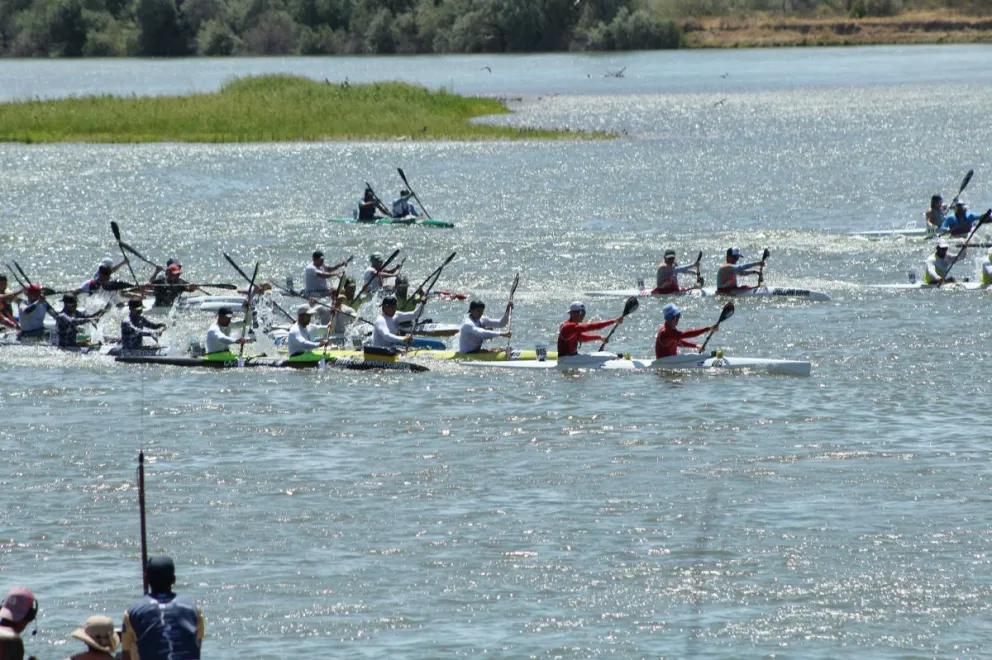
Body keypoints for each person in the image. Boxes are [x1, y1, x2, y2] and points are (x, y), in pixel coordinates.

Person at [121, 556, 204, 660]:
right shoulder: (194, 609)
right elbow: (196, 648)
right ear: (174, 579)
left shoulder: (132, 612)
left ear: (146, 579)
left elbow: (126, 653)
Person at [557, 301, 623, 357]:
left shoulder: (574, 327)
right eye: (581, 313)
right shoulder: (569, 326)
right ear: (572, 313)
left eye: (584, 312)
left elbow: (583, 338)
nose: (583, 315)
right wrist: (613, 321)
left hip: (572, 357)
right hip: (566, 359)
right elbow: (591, 327)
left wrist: (599, 337)